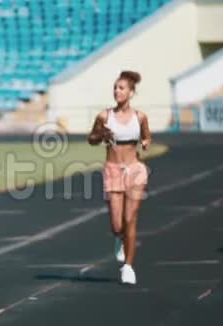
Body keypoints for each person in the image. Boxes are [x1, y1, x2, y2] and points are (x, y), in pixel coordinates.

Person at [86, 71, 152, 285]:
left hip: (135, 169)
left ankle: (128, 267)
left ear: (131, 92)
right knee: (117, 224)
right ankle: (118, 239)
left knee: (130, 219)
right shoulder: (105, 117)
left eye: (121, 88)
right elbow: (91, 139)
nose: (117, 91)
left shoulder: (140, 117)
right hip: (113, 169)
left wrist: (145, 142)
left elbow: (146, 135)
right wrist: (101, 135)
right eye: (115, 87)